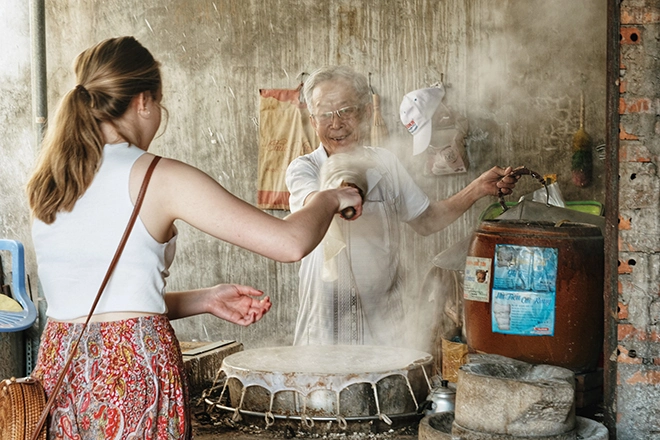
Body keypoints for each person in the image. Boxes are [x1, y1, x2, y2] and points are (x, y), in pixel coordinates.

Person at [25, 37, 362, 439]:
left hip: (60, 373)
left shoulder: (51, 182)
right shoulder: (157, 177)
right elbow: (289, 243)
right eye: (160, 106)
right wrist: (331, 196)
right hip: (134, 380)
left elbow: (106, 310)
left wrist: (205, 299)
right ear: (145, 101)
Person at [285, 65, 518, 347]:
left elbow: (427, 220)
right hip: (325, 328)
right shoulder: (304, 170)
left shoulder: (386, 164)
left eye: (346, 110)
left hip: (385, 329)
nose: (336, 123)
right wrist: (338, 192)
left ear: (366, 112)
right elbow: (312, 205)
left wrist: (477, 188)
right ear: (313, 120)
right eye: (325, 114)